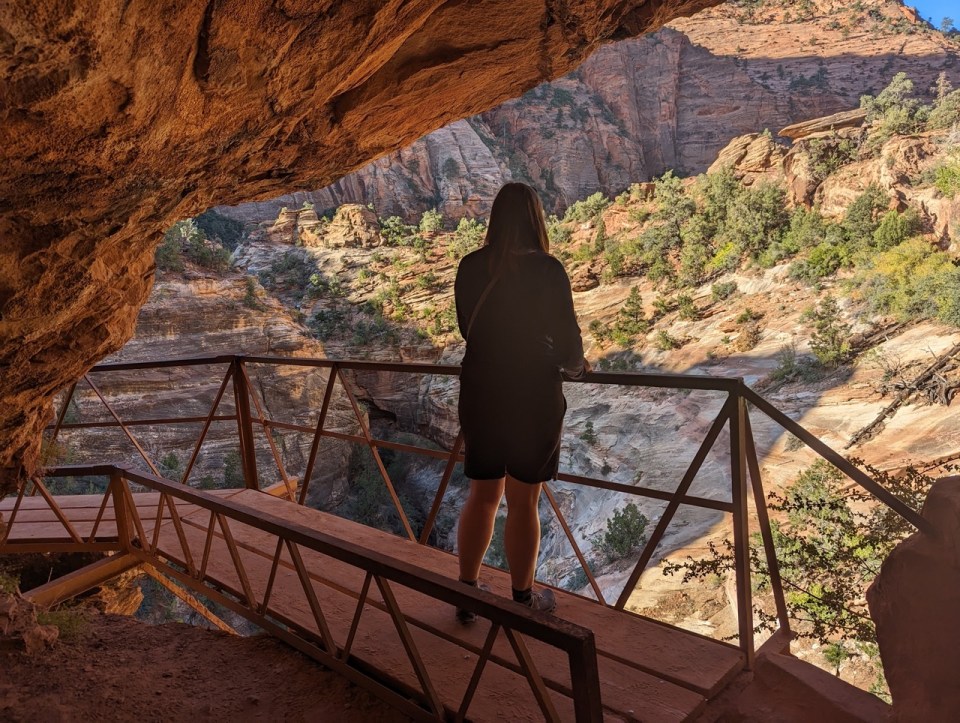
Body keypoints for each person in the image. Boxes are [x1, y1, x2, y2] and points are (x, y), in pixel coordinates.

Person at [453, 182, 588, 621]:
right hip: (532, 395)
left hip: (480, 390)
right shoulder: (548, 271)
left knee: (483, 494)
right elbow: (569, 345)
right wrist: (576, 366)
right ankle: (523, 598)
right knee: (523, 500)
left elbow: (465, 328)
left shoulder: (470, 265)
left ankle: (468, 592)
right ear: (536, 219)